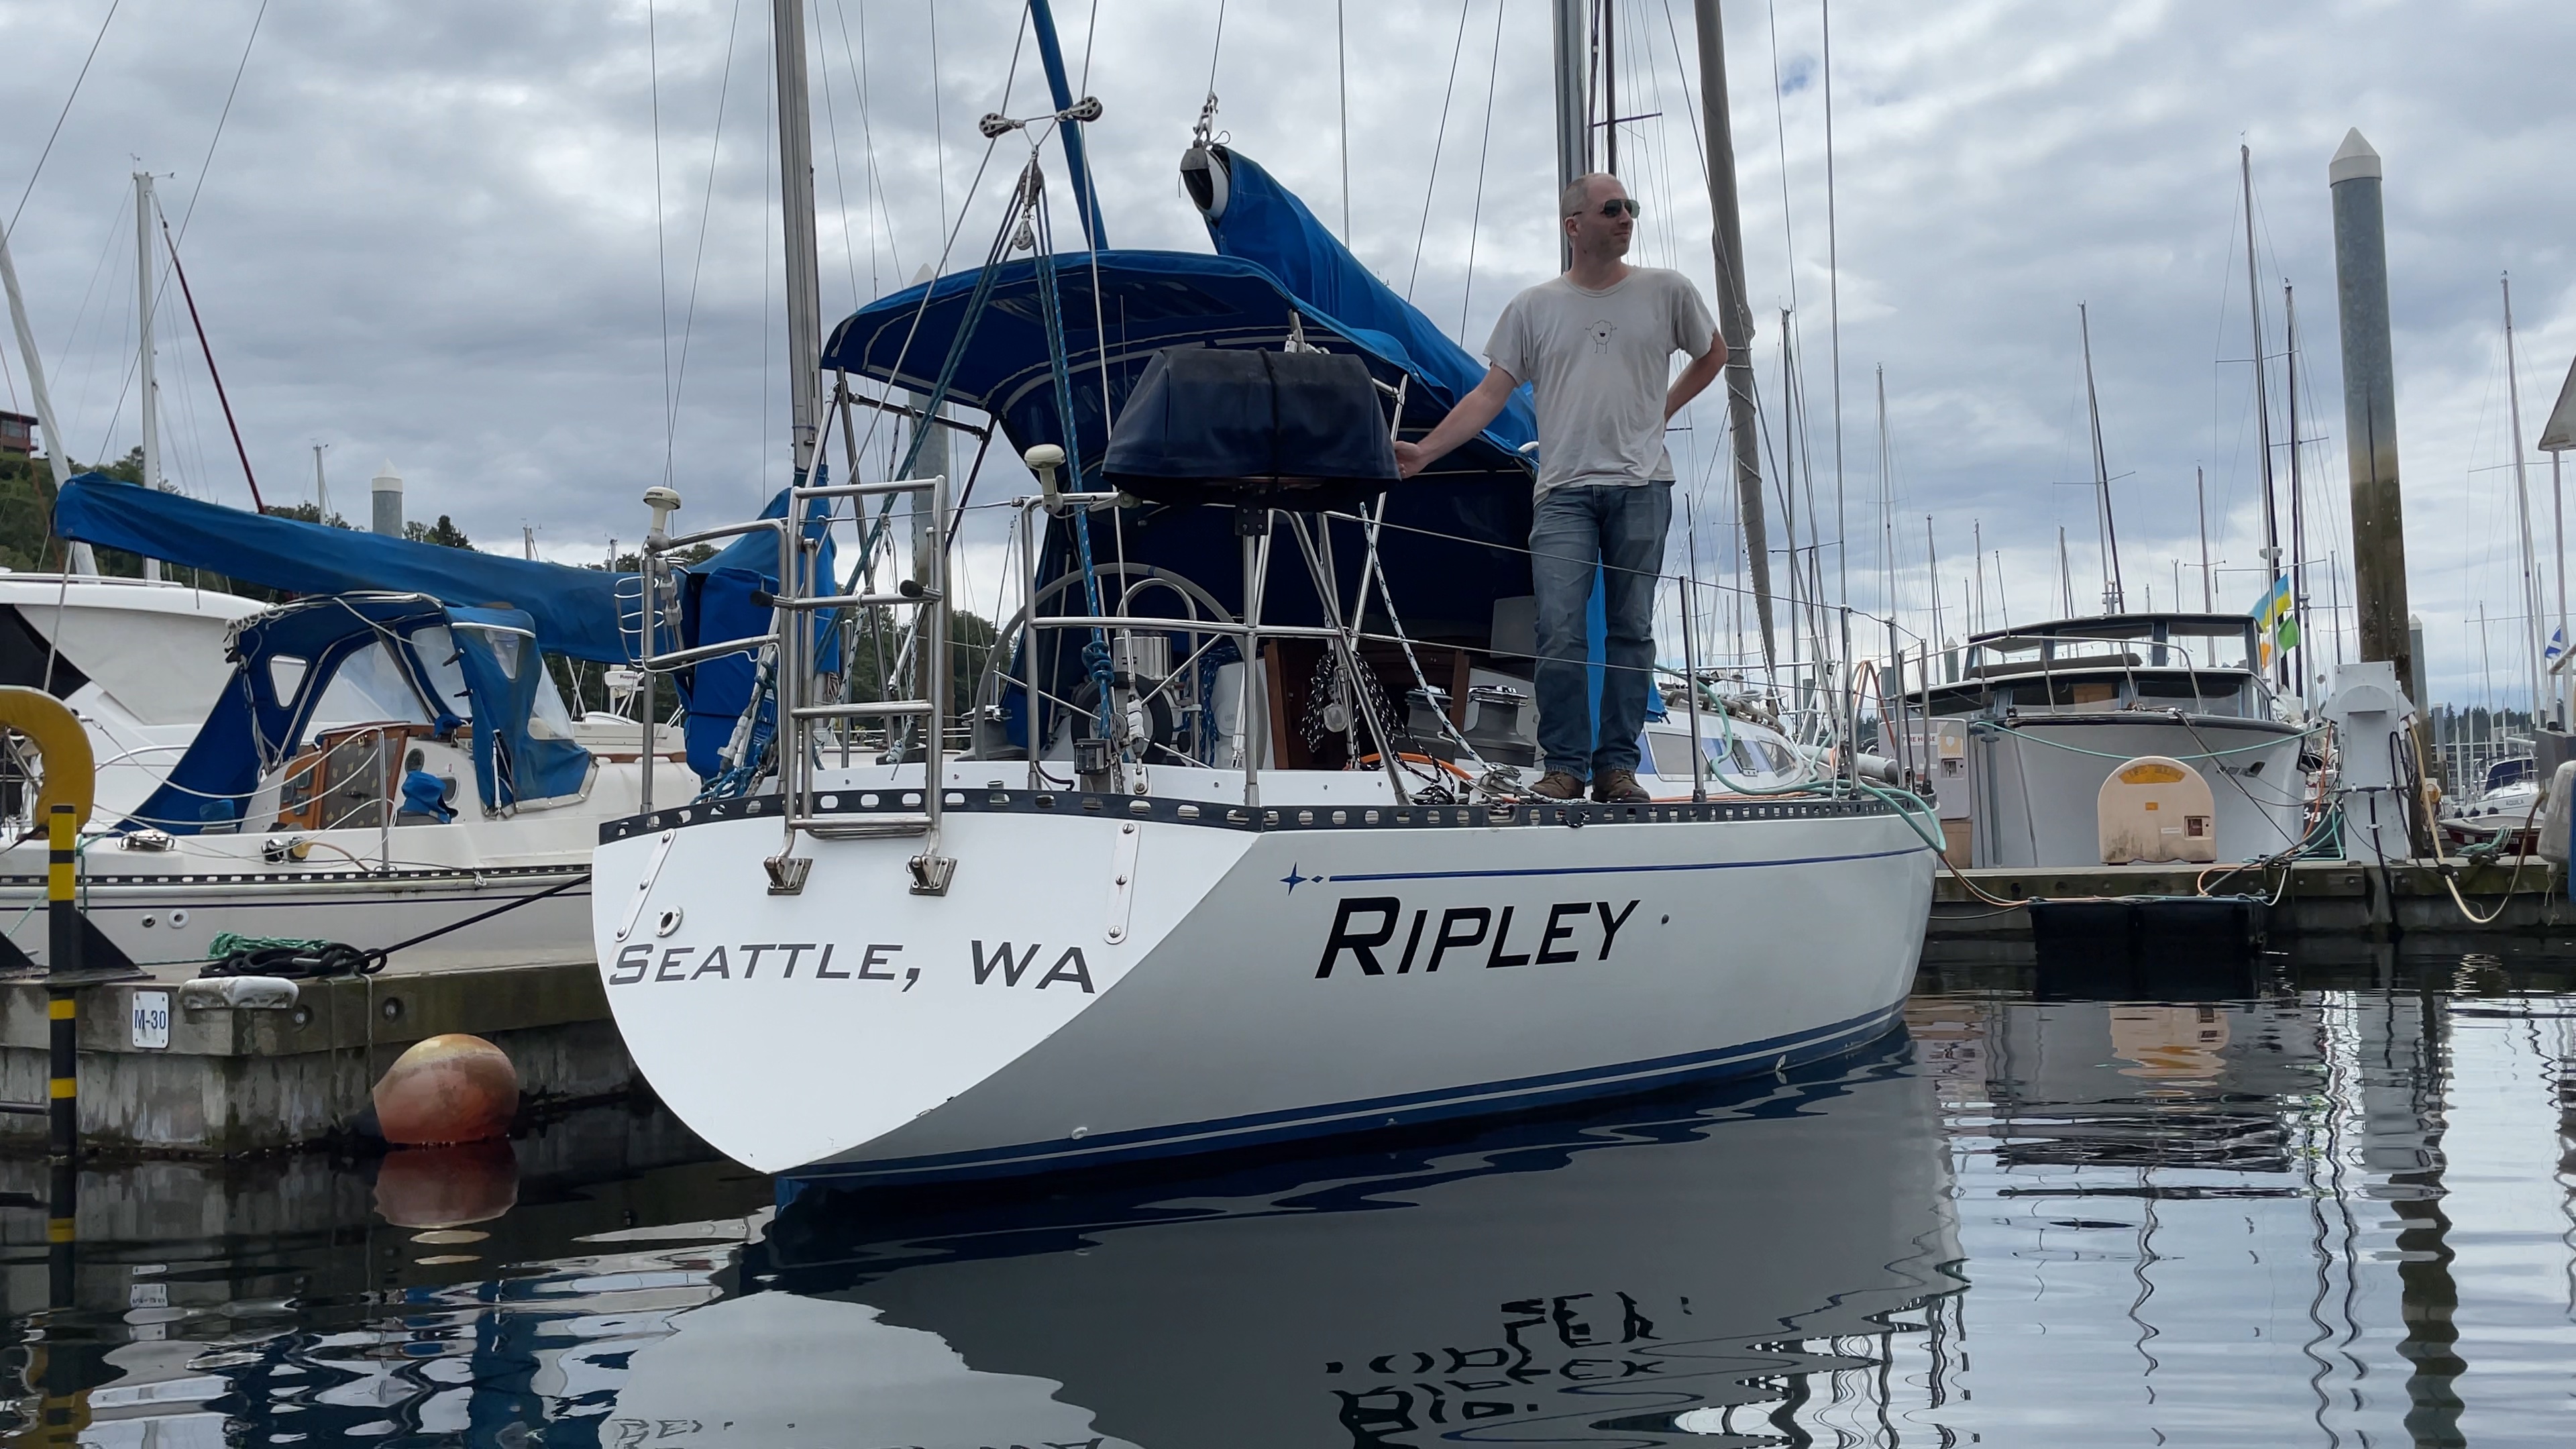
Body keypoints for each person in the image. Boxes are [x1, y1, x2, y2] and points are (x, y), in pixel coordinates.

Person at [1394, 173, 1726, 802]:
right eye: (1611, 208)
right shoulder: (1533, 307)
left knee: (1631, 630)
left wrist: (1664, 408)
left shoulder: (1668, 291)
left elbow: (1714, 353)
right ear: (1574, 224)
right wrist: (1426, 451)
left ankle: (1617, 769)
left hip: (1641, 484)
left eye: (1630, 206)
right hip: (1564, 492)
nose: (1626, 216)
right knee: (1560, 631)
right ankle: (1565, 765)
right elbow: (1491, 393)